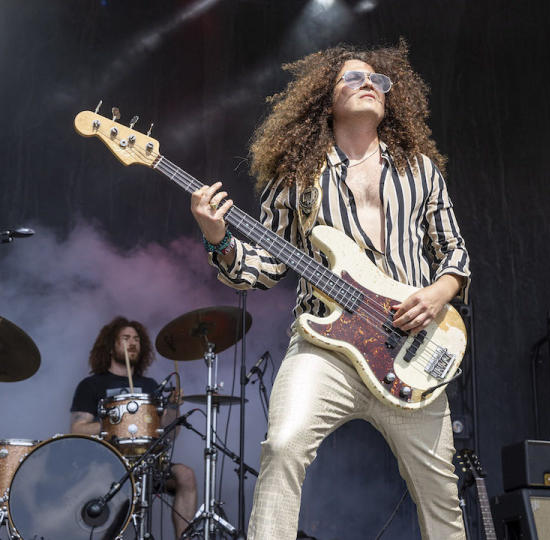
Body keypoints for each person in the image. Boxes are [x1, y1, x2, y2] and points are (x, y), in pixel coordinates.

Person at [189, 42, 471, 540]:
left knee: (441, 492)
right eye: (354, 78)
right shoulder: (295, 176)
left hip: (410, 348)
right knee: (283, 445)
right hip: (326, 348)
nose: (371, 84)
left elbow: (455, 252)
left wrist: (437, 295)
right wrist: (219, 240)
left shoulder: (421, 169)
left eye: (380, 81)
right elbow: (269, 266)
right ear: (325, 97)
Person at [70, 316, 198, 538]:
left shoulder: (149, 386)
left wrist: (173, 407)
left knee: (185, 475)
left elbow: (170, 434)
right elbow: (77, 429)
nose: (133, 343)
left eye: (137, 339)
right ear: (111, 346)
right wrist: (115, 423)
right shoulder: (91, 385)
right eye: (126, 338)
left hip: (147, 463)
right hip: (106, 465)